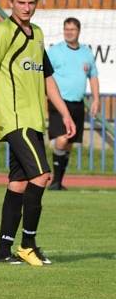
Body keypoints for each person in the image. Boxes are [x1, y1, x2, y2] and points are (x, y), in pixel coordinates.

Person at [0, 0, 76, 267]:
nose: (27, 7)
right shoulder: (2, 32)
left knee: (18, 184)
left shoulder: (38, 33)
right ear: (11, 2)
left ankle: (2, 251)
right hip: (14, 119)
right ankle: (28, 244)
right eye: (21, 2)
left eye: (31, 2)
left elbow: (47, 78)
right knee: (42, 177)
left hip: (35, 120)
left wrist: (65, 113)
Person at [46, 17, 100, 190]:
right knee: (62, 140)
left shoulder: (86, 53)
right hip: (59, 102)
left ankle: (58, 182)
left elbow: (93, 76)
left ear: (79, 31)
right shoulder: (55, 51)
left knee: (69, 142)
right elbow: (45, 74)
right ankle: (55, 181)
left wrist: (96, 99)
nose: (69, 32)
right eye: (66, 29)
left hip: (77, 104)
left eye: (72, 29)